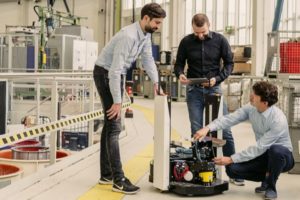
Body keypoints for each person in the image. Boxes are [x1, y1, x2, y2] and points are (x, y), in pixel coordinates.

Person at [93, 3, 166, 194]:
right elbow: (115, 71)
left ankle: (106, 175)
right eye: (157, 22)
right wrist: (118, 102)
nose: (158, 26)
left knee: (110, 125)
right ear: (146, 18)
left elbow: (148, 59)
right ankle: (118, 180)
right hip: (105, 74)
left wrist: (157, 82)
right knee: (115, 125)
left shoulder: (145, 35)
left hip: (115, 73)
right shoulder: (128, 36)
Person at [174, 13, 244, 185]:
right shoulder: (186, 42)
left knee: (225, 129)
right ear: (192, 28)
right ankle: (201, 168)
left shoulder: (220, 41)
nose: (200, 35)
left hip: (214, 88)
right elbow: (178, 64)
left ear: (209, 25)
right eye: (196, 32)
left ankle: (234, 172)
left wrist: (217, 79)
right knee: (197, 130)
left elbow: (229, 64)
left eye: (203, 32)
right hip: (193, 91)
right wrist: (180, 74)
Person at [194, 81, 295, 200]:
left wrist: (231, 158)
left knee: (276, 150)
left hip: (283, 158)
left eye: (255, 95)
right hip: (264, 155)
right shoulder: (251, 108)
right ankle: (266, 177)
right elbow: (230, 119)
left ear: (265, 102)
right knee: (232, 169)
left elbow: (259, 147)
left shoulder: (278, 120)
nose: (251, 96)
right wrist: (208, 128)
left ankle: (271, 186)